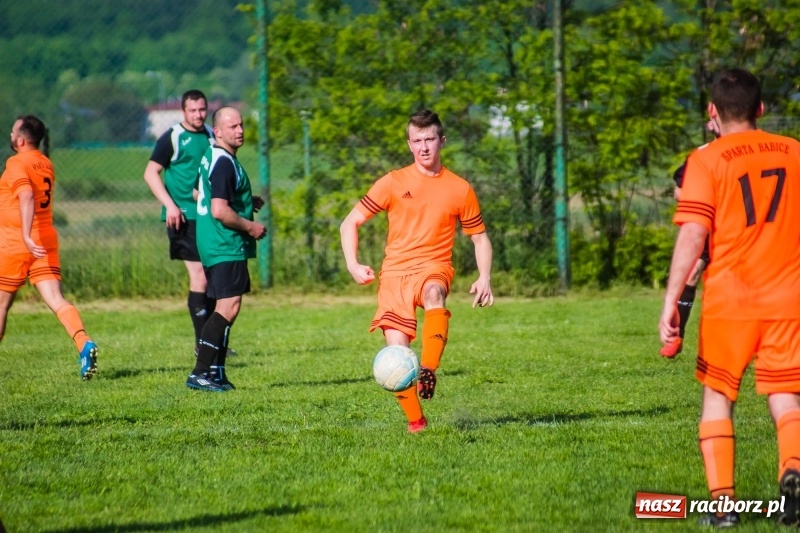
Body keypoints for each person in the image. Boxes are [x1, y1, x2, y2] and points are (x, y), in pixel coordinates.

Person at [659, 68, 800, 527]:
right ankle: (794, 473)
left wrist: (672, 297)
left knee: (718, 394)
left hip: (730, 300)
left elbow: (693, 233)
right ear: (762, 108)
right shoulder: (796, 153)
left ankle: (723, 507)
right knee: (785, 395)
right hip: (788, 298)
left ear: (712, 113)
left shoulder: (706, 159)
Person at [340, 109, 494, 433]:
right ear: (410, 144)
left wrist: (485, 278)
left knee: (435, 293)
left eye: (430, 139)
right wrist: (353, 264)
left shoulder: (460, 188)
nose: (424, 147)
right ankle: (417, 423)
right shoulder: (393, 182)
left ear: (442, 141)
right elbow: (349, 222)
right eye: (417, 140)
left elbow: (479, 238)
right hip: (394, 274)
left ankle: (429, 368)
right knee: (395, 354)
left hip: (433, 266)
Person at [0, 115, 98, 379]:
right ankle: (83, 343)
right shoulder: (46, 163)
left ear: (20, 140)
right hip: (46, 239)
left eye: (12, 132)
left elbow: (26, 195)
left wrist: (25, 235)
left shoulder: (16, 162)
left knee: (1, 304)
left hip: (17, 242)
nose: (10, 136)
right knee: (56, 299)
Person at [144, 90, 236, 358]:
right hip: (182, 217)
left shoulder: (211, 135)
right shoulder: (172, 137)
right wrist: (170, 205)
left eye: (202, 110)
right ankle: (203, 345)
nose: (198, 115)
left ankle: (210, 341)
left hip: (208, 217)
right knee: (199, 277)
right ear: (183, 111)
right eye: (192, 110)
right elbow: (150, 173)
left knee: (210, 278)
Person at [187, 106, 266, 392]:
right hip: (225, 243)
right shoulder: (224, 162)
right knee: (227, 308)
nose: (240, 130)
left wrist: (245, 200)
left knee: (227, 307)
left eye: (241, 125)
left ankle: (217, 372)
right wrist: (249, 226)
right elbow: (219, 210)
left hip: (212, 243)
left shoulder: (212, 155)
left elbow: (199, 193)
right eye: (232, 127)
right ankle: (200, 373)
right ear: (218, 131)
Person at [659, 120, 720, 358]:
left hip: (743, 229)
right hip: (710, 224)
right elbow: (678, 190)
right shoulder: (701, 155)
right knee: (693, 271)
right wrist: (706, 200)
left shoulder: (751, 152)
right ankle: (676, 336)